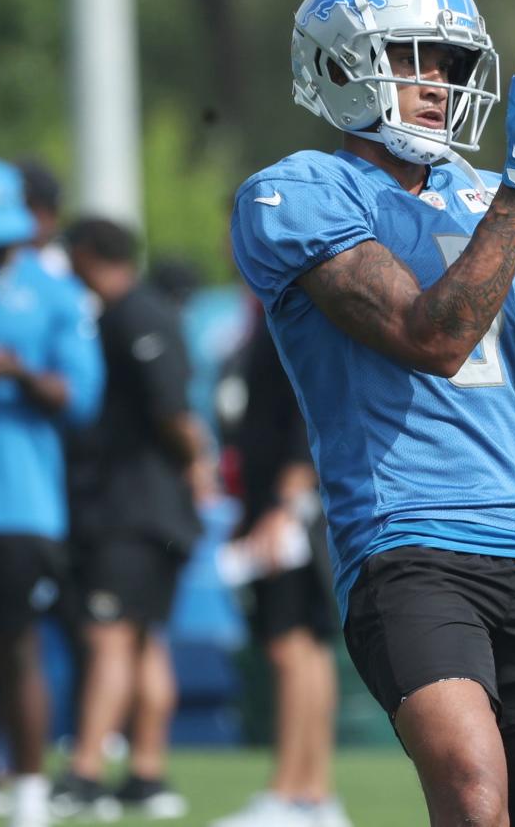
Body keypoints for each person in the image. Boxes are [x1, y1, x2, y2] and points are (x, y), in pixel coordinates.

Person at [230, 0, 515, 826]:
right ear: (337, 62)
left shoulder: (495, 200)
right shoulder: (296, 193)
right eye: (410, 58)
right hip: (409, 543)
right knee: (474, 794)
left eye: (451, 63)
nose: (436, 83)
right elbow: (430, 336)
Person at [50, 218, 203, 820]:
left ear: (87, 255)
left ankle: (85, 773)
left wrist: (195, 464)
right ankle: (145, 774)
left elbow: (173, 412)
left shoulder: (132, 314)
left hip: (132, 509)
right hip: (155, 510)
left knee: (109, 637)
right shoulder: (146, 310)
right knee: (144, 641)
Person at [0, 157, 104, 827]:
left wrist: (18, 374)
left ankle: (27, 794)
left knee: (14, 644)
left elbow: (80, 399)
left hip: (15, 502)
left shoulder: (51, 295)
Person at [210, 299, 351, 827]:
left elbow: (308, 400)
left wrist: (284, 502)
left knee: (290, 643)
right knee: (306, 645)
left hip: (291, 506)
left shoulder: (293, 306)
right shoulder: (269, 310)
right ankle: (314, 793)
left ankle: (291, 792)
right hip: (283, 503)